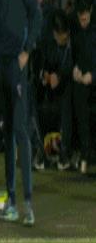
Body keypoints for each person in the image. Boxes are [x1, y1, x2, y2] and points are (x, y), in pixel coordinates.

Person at [0, 0, 42, 227]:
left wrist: (28, 50)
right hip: (1, 61)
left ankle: (28, 203)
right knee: (8, 131)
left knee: (21, 132)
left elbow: (36, 13)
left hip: (17, 62)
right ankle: (11, 201)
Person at [35, 9, 73, 171]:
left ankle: (64, 153)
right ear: (54, 34)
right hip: (48, 85)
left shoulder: (72, 42)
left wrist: (60, 76)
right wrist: (45, 74)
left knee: (68, 98)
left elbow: (72, 63)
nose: (62, 41)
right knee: (32, 94)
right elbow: (40, 62)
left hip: (66, 83)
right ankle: (39, 150)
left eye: (65, 38)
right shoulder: (45, 38)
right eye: (60, 38)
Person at [70, 0, 96, 175]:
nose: (83, 22)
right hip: (83, 77)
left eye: (85, 18)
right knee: (77, 95)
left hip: (93, 75)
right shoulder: (74, 25)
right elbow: (74, 52)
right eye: (80, 19)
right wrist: (75, 69)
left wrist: (93, 76)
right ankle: (85, 153)